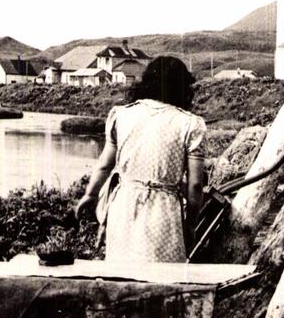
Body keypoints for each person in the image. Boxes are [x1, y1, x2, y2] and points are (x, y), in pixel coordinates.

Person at [75, 56, 207, 263]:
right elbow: (196, 184)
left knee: (121, 276)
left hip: (123, 207)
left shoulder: (122, 115)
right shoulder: (190, 124)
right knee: (164, 280)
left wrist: (90, 195)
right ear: (182, 87)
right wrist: (190, 225)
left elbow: (104, 165)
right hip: (163, 211)